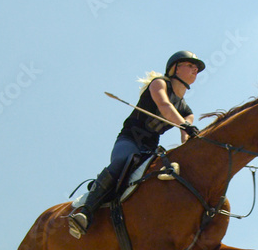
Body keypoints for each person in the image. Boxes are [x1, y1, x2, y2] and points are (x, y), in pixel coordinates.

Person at [67, 50, 205, 238]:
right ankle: (86, 212)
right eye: (190, 65)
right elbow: (165, 107)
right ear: (175, 68)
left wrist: (193, 145)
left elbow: (185, 137)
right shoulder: (159, 83)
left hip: (150, 149)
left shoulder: (187, 110)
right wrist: (185, 125)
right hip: (129, 141)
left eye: (196, 68)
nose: (195, 69)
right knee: (122, 161)